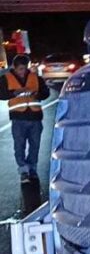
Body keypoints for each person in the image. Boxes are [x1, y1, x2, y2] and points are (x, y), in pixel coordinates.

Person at [0, 54, 50, 183]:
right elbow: (1, 94)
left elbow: (45, 93)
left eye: (24, 69)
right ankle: (23, 170)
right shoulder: (6, 78)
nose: (22, 72)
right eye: (20, 69)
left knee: (35, 145)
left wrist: (37, 94)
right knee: (19, 145)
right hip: (18, 118)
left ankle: (32, 169)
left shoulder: (36, 78)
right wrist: (14, 93)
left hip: (35, 117)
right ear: (14, 68)